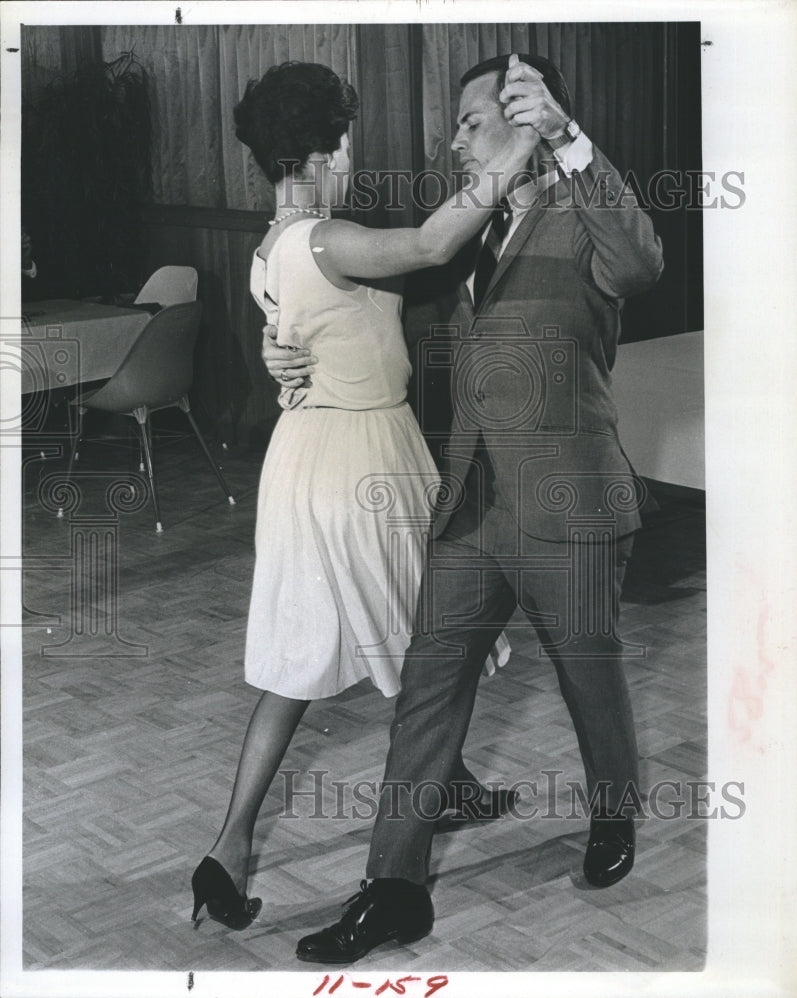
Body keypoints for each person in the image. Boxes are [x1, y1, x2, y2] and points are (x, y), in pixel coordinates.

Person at [292, 53, 664, 963]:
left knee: (590, 682)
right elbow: (375, 310)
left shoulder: (585, 213)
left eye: (470, 121)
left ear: (529, 123)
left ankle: (612, 813)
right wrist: (291, 353)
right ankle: (394, 887)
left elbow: (644, 261)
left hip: (568, 500)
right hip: (471, 503)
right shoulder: (461, 228)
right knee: (428, 689)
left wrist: (572, 140)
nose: (451, 138)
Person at [190, 59, 539, 931]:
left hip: (303, 459)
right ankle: (424, 815)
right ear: (328, 148)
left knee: (298, 661)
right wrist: (530, 137)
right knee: (435, 635)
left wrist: (283, 363)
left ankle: (226, 851)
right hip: (362, 462)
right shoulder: (328, 237)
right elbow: (427, 246)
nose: (350, 156)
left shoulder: (266, 251)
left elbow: (337, 323)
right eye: (346, 141)